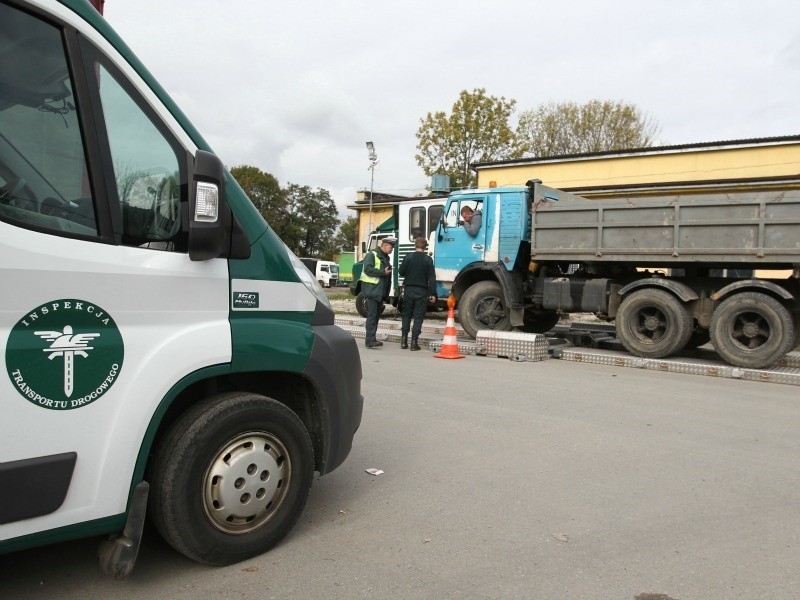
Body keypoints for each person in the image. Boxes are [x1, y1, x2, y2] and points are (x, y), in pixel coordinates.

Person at [398, 237, 437, 351]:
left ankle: (403, 340)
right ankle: (414, 343)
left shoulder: (408, 257)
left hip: (408, 290)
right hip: (422, 291)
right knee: (418, 317)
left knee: (406, 315)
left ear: (415, 245)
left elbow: (401, 272)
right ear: (425, 247)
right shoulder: (428, 260)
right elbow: (432, 279)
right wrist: (433, 294)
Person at [360, 236, 396, 348]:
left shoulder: (385, 257)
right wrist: (382, 272)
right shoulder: (372, 254)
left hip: (379, 292)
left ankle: (372, 338)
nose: (392, 250)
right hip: (372, 291)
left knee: (375, 316)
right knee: (372, 316)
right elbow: (368, 269)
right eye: (391, 247)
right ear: (384, 245)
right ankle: (369, 339)